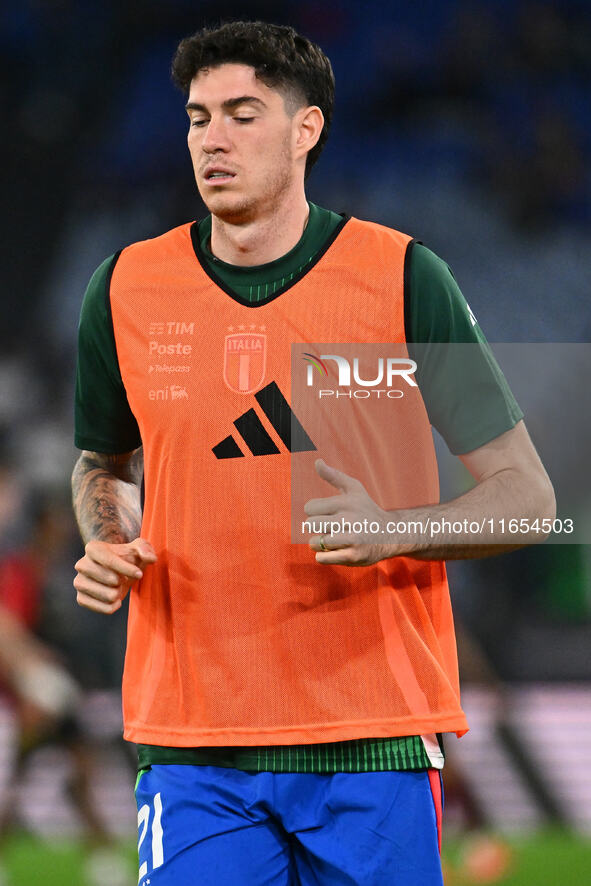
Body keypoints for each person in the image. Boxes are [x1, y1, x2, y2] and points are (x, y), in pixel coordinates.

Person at [71, 20, 555, 886]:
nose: (211, 139)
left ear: (307, 129)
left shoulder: (403, 277)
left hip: (370, 739)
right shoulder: (124, 288)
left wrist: (394, 530)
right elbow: (99, 462)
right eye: (195, 117)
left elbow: (527, 496)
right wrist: (105, 536)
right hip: (192, 743)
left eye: (243, 114)